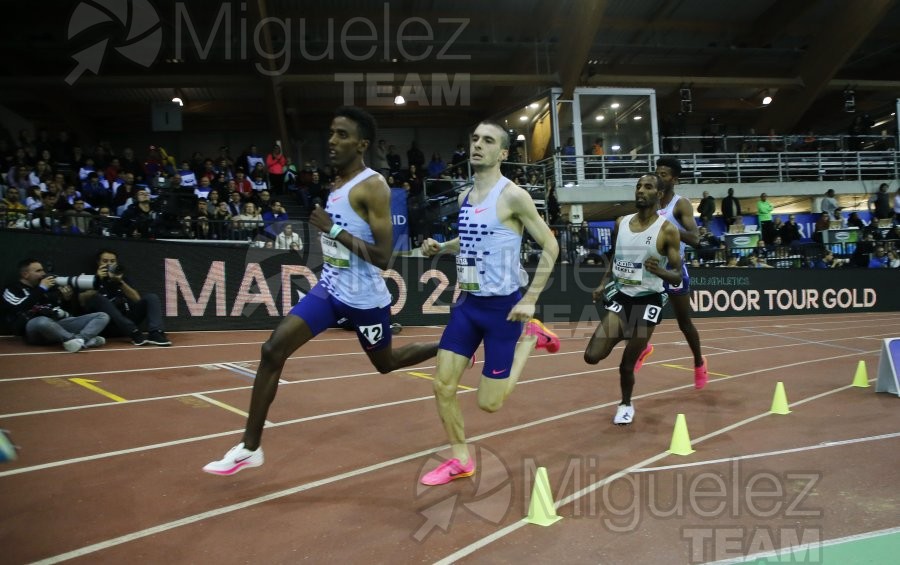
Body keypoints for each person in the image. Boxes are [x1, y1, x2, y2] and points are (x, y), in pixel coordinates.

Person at [203, 106, 440, 476]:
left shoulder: (373, 186)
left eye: (342, 135)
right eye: (331, 132)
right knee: (271, 350)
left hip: (366, 298)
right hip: (330, 289)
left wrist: (331, 231)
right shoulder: (336, 184)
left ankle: (450, 343)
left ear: (362, 144)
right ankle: (250, 447)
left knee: (386, 364)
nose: (331, 141)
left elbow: (383, 258)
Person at [417, 120, 560, 486]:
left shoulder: (513, 196)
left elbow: (551, 246)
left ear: (503, 153)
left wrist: (530, 300)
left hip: (504, 310)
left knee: (489, 404)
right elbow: (469, 240)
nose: (478, 145)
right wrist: (441, 246)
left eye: (488, 140)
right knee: (442, 386)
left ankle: (530, 337)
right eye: (475, 138)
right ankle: (461, 459)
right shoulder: (465, 197)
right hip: (469, 305)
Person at [584, 174, 684, 425]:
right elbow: (615, 257)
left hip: (648, 299)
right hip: (622, 295)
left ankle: (625, 404)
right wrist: (603, 282)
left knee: (626, 365)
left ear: (659, 194)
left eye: (648, 187)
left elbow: (677, 276)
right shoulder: (621, 222)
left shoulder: (667, 231)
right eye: (638, 186)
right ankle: (636, 339)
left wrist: (660, 271)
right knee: (592, 356)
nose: (640, 190)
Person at [652, 156, 708, 388]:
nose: (658, 177)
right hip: (651, 268)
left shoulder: (680, 203)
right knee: (636, 316)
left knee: (684, 323)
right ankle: (642, 347)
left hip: (674, 268)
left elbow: (695, 238)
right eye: (657, 173)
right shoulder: (650, 201)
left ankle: (698, 362)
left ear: (674, 179)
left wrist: (668, 228)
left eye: (663, 174)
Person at [2, 258, 109, 352]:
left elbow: (64, 312)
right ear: (25, 274)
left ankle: (80, 340)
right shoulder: (13, 289)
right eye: (38, 271)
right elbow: (18, 307)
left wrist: (66, 299)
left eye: (43, 270)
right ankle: (74, 339)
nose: (43, 274)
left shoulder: (47, 288)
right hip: (33, 330)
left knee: (102, 316)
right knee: (41, 321)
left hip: (57, 326)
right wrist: (41, 289)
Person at [77, 249, 171, 346]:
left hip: (127, 320)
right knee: (97, 297)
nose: (109, 264)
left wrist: (120, 282)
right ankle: (133, 332)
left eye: (112, 261)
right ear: (98, 262)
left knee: (152, 297)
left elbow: (137, 299)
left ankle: (156, 333)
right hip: (106, 325)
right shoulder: (89, 280)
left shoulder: (122, 279)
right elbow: (82, 300)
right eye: (105, 261)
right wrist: (97, 280)